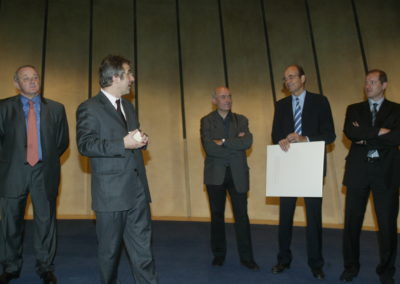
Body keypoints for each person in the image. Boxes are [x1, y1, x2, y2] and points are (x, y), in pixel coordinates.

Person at [76, 55, 157, 284]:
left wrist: (141, 139)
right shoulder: (89, 108)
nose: (132, 78)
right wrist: (123, 143)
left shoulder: (128, 106)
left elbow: (129, 137)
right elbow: (85, 145)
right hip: (110, 195)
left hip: (137, 191)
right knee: (110, 255)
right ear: (115, 77)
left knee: (143, 253)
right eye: (129, 73)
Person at [0, 65, 69, 284]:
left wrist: (43, 158)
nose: (32, 81)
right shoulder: (2, 108)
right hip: (12, 172)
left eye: (35, 77)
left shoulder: (57, 109)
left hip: (44, 170)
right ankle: (10, 267)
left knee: (45, 221)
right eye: (26, 78)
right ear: (16, 84)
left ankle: (45, 267)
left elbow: (62, 142)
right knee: (10, 222)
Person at [270, 65, 335, 279]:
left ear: (303, 78)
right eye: (285, 78)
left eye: (291, 77)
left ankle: (316, 264)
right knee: (285, 217)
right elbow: (275, 134)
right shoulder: (280, 105)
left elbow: (330, 135)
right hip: (288, 167)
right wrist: (280, 139)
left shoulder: (320, 101)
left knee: (314, 218)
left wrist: (304, 138)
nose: (287, 81)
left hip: (312, 166)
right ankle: (283, 260)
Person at [341, 69, 400, 284]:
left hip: (386, 174)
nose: (368, 86)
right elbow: (351, 132)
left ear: (384, 85)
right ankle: (351, 267)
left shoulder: (397, 110)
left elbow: (397, 138)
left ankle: (386, 271)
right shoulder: (354, 109)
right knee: (352, 223)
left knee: (387, 224)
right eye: (366, 82)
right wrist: (381, 132)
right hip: (358, 171)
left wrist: (366, 136)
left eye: (373, 82)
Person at [200, 86, 259, 271]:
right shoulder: (206, 121)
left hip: (238, 174)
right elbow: (209, 148)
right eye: (223, 97)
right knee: (217, 216)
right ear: (214, 100)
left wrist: (224, 142)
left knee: (242, 217)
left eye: (229, 96)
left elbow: (247, 142)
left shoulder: (241, 120)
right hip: (215, 176)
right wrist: (235, 143)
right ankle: (218, 255)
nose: (228, 100)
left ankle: (247, 258)